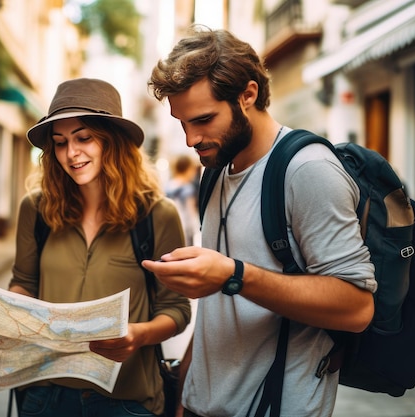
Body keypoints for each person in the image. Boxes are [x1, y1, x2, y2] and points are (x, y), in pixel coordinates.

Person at [144, 26, 377, 417]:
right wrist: (184, 398)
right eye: (182, 123)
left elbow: (357, 309)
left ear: (248, 95)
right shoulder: (217, 168)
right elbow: (220, 315)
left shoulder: (308, 171)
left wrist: (235, 274)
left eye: (203, 119)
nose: (190, 139)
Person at [8, 78, 191, 417]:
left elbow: (176, 310)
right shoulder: (35, 209)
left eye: (83, 138)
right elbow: (24, 282)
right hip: (45, 395)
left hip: (125, 400)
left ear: (113, 142)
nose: (70, 153)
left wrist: (138, 335)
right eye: (60, 142)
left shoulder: (157, 215)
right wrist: (8, 311)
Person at [165, 154, 200, 245]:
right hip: (185, 230)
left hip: (170, 227)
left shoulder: (168, 185)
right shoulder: (187, 188)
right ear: (188, 169)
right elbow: (191, 213)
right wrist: (196, 230)